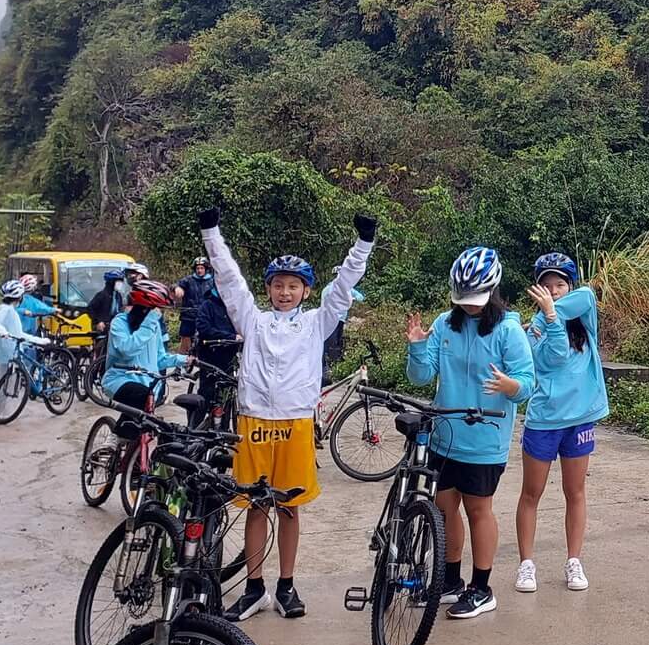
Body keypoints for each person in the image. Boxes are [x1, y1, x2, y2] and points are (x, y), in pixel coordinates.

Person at [201, 206, 378, 621]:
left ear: (306, 291)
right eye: (278, 285)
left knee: (289, 507)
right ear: (268, 289)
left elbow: (343, 285)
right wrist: (211, 233)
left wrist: (364, 243)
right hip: (254, 422)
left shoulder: (317, 322)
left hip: (295, 423)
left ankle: (286, 585)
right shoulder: (253, 320)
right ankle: (254, 588)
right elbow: (229, 279)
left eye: (293, 286)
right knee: (256, 506)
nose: (285, 292)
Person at [405, 247, 534, 620]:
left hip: (484, 437)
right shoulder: (445, 324)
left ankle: (481, 588)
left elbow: (527, 384)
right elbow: (421, 377)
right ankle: (450, 580)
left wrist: (510, 385)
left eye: (475, 298)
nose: (469, 305)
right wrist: (417, 347)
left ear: (492, 290)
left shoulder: (508, 330)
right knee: (445, 510)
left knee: (479, 510)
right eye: (463, 298)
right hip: (445, 434)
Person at [513, 251, 607, 594]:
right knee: (531, 493)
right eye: (546, 286)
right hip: (544, 420)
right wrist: (549, 318)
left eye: (560, 285)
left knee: (575, 492)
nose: (553, 291)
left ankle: (574, 560)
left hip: (579, 421)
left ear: (570, 286)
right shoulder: (536, 328)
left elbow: (587, 295)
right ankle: (526, 564)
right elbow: (552, 358)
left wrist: (552, 311)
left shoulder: (583, 314)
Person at [98, 274, 188, 411]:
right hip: (120, 380)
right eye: (157, 310)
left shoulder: (153, 326)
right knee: (143, 399)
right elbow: (127, 350)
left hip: (148, 385)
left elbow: (159, 359)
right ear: (145, 308)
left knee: (145, 416)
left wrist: (184, 360)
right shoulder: (120, 323)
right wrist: (149, 322)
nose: (159, 314)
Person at [0, 278, 47, 420]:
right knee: (5, 384)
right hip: (6, 354)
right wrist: (4, 333)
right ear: (19, 297)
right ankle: (1, 412)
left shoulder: (0, 309)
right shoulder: (9, 312)